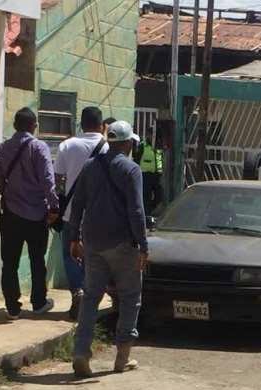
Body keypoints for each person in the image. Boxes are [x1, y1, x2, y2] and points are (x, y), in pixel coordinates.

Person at [69, 121, 148, 378]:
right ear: (127, 144)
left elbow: (77, 205)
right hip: (122, 243)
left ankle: (81, 353)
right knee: (129, 297)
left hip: (92, 242)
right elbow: (136, 211)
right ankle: (122, 357)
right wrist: (143, 245)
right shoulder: (131, 169)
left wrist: (74, 239)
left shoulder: (91, 166)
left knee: (91, 297)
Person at [0, 107, 58, 320]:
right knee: (37, 259)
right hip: (37, 213)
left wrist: (9, 194)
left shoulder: (1, 148)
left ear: (14, 126)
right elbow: (48, 180)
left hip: (11, 213)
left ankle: (12, 306)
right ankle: (38, 302)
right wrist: (54, 206)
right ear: (33, 125)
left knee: (9, 261)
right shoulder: (39, 147)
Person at [54, 107, 108, 320]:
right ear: (102, 125)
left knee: (69, 254)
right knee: (92, 257)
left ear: (81, 124)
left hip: (70, 214)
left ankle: (77, 290)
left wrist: (58, 204)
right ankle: (87, 295)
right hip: (98, 216)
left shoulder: (67, 145)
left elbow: (58, 180)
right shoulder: (107, 147)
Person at [134, 126, 164, 216]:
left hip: (155, 175)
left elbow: (159, 160)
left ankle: (151, 209)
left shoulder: (158, 146)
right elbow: (137, 159)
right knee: (146, 196)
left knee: (159, 196)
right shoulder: (143, 145)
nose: (152, 137)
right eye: (151, 135)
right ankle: (147, 214)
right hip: (144, 175)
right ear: (148, 135)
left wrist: (160, 172)